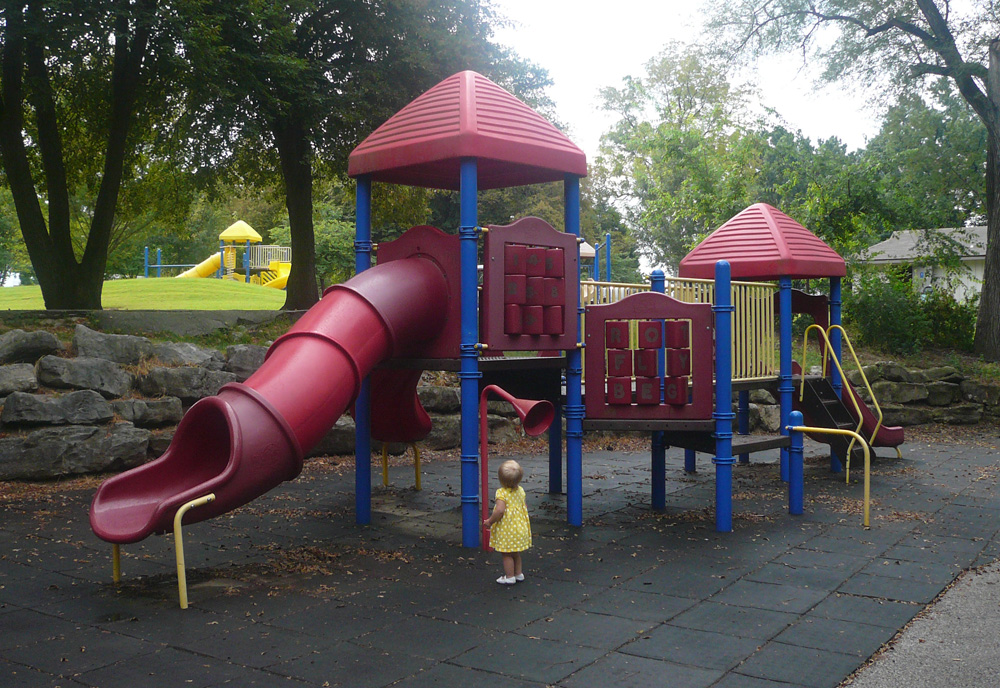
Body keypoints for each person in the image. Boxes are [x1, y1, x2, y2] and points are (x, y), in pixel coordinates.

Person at [483, 459, 531, 584]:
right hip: (520, 527)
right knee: (516, 552)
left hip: (508, 528)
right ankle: (518, 573)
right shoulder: (520, 491)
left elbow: (499, 511)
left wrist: (490, 521)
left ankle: (509, 577)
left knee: (506, 554)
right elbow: (524, 506)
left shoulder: (501, 493)